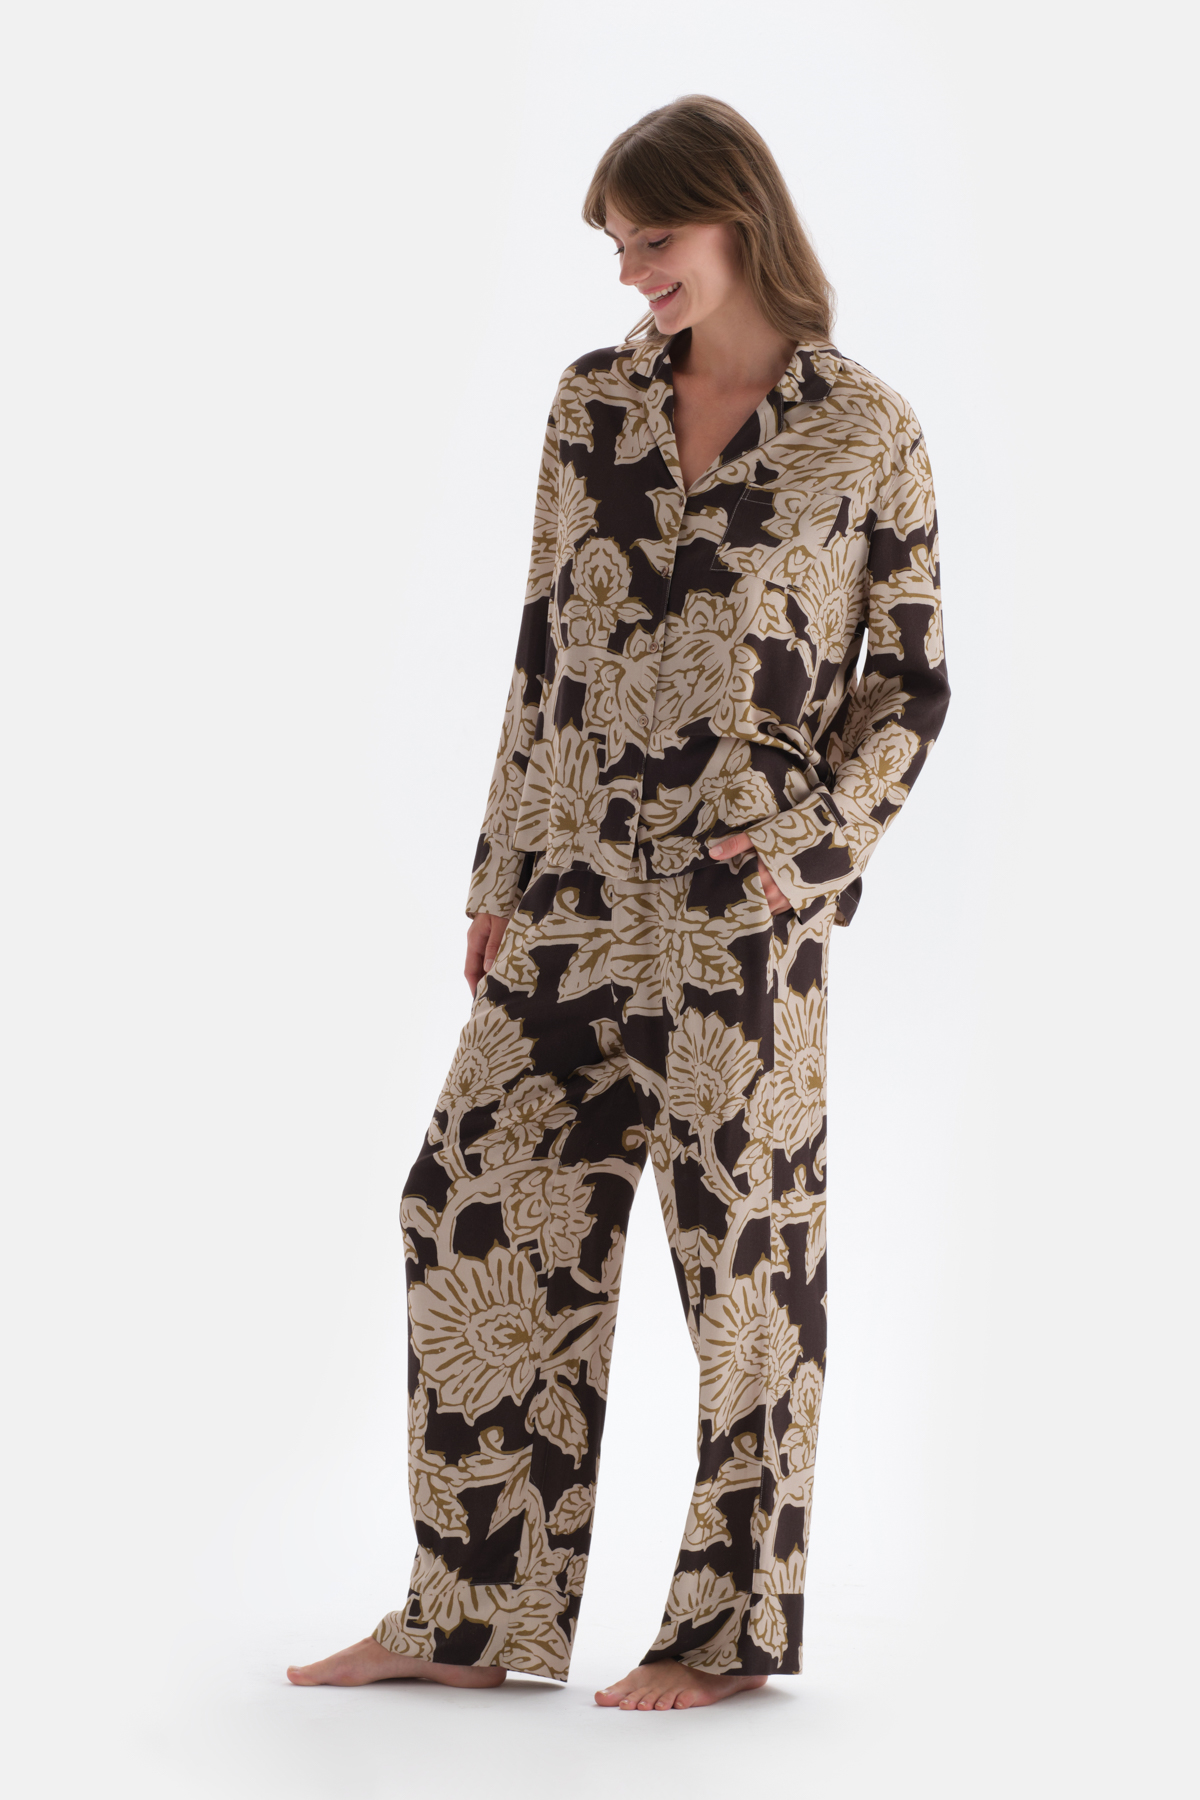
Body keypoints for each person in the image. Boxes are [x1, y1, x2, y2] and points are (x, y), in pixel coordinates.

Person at [288, 93, 950, 1713]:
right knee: (467, 1200)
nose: (632, 273)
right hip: (575, 889)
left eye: (653, 240)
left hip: (741, 914)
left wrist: (799, 862)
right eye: (617, 247)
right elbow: (544, 653)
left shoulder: (868, 432)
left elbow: (910, 691)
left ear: (739, 218)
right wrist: (501, 871)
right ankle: (467, 1612)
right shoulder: (592, 406)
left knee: (743, 1272)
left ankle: (725, 1637)